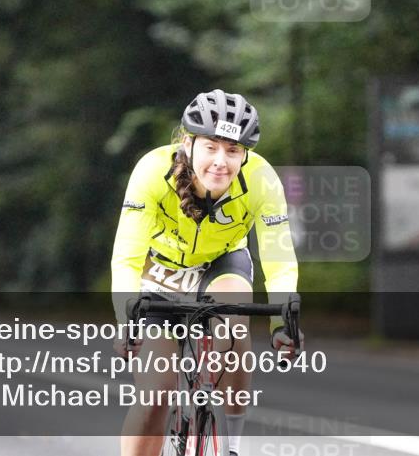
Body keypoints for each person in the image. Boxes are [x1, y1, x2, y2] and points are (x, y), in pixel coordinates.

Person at [111, 89, 301, 456]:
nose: (221, 161)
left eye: (233, 150)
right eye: (211, 147)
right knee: (156, 394)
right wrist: (126, 320)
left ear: (246, 153)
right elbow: (127, 258)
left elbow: (279, 262)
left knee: (235, 315)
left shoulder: (262, 179)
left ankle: (231, 443)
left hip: (222, 264)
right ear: (188, 143)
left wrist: (282, 325)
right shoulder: (152, 170)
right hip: (160, 273)